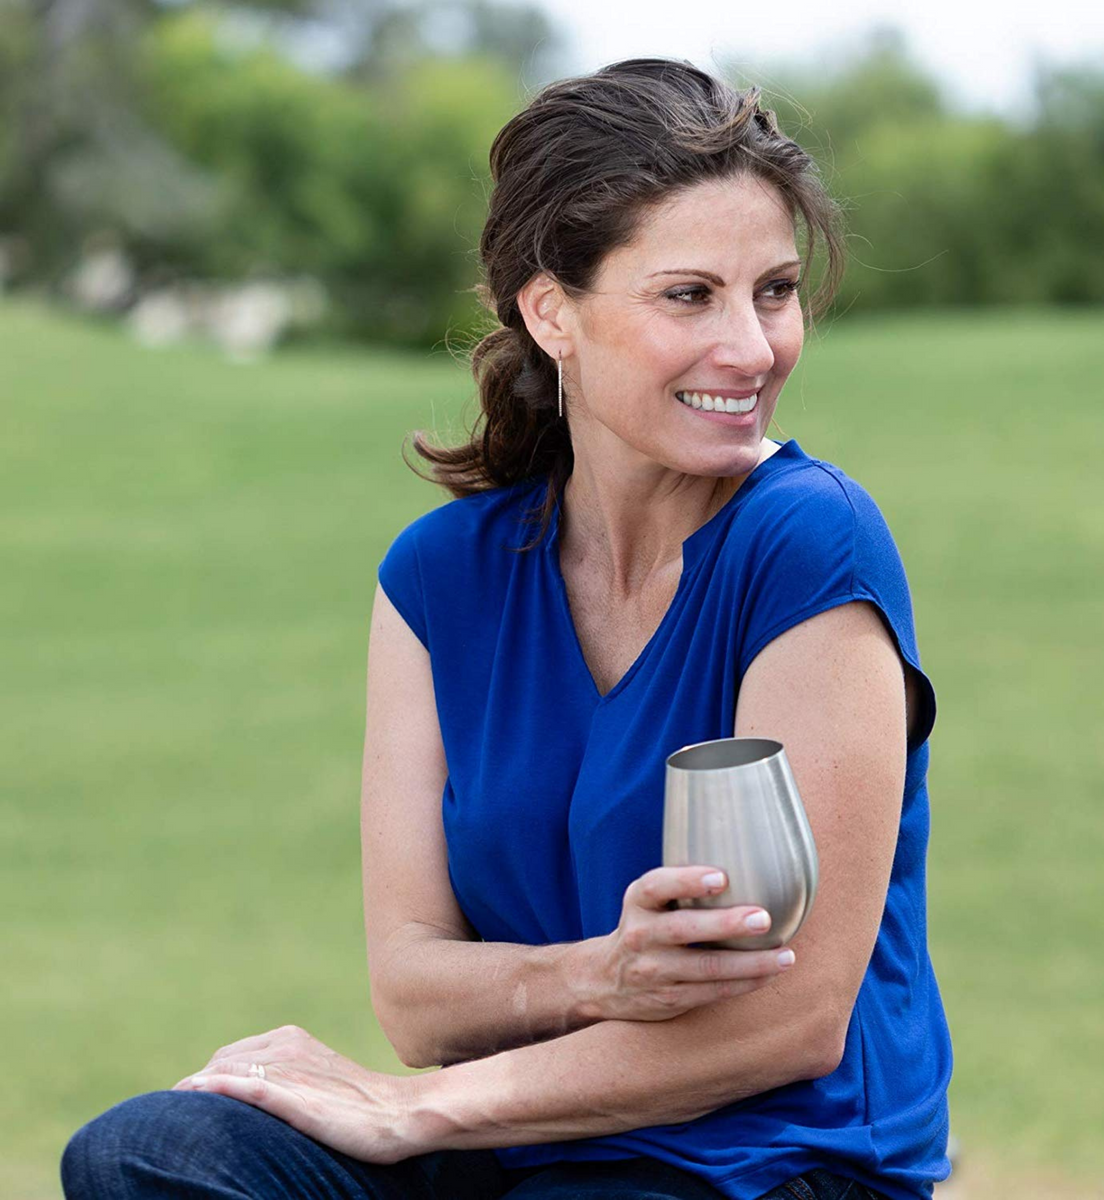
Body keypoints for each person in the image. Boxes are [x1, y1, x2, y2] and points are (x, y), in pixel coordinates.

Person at [61, 57, 953, 1200]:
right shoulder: (440, 580)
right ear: (551, 313)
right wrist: (595, 976)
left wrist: (414, 1107)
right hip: (518, 1150)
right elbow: (416, 992)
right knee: (147, 1156)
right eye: (691, 296)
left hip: (767, 1169)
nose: (752, 346)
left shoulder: (808, 545)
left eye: (773, 291)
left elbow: (790, 1021)